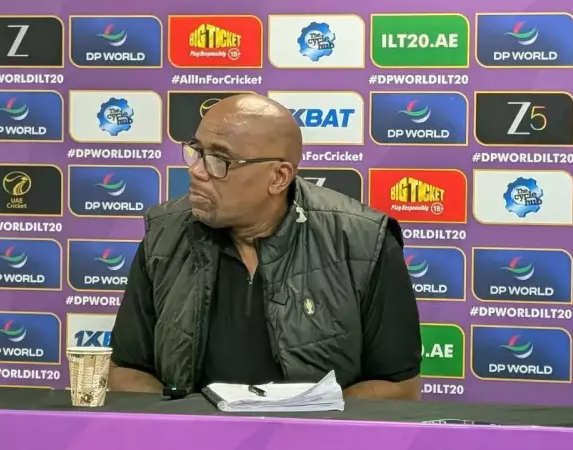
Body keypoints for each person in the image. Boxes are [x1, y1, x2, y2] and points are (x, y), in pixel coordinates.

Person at [108, 93, 422, 400]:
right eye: (196, 152)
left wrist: (302, 424)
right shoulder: (164, 234)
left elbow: (397, 388)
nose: (197, 170)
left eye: (219, 160)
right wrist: (194, 423)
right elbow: (126, 371)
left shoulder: (364, 242)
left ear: (278, 177)